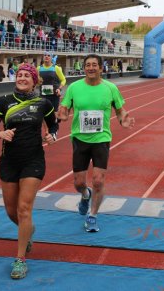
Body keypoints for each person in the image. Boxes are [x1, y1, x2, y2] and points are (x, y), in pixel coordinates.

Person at [0, 63, 58, 280]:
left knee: (24, 208)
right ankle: (28, 231)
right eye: (20, 75)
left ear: (35, 81)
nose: (22, 78)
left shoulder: (43, 103)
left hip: (33, 160)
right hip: (9, 161)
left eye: (27, 75)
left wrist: (52, 136)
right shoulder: (4, 101)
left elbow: (53, 126)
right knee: (11, 211)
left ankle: (20, 260)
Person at [57, 54, 135, 233]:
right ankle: (85, 194)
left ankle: (92, 216)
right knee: (78, 183)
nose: (91, 68)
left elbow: (120, 110)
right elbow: (65, 108)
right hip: (79, 139)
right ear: (84, 68)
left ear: (101, 68)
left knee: (98, 181)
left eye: (94, 65)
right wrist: (61, 114)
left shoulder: (111, 88)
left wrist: (124, 120)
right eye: (87, 65)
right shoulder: (74, 87)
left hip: (101, 139)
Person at [37, 51, 66, 129]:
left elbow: (63, 80)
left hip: (54, 95)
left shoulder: (56, 68)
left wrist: (59, 89)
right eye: (45, 55)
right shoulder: (39, 68)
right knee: (43, 114)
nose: (46, 57)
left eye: (48, 56)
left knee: (53, 114)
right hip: (43, 94)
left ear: (51, 58)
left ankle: (53, 130)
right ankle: (47, 132)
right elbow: (36, 81)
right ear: (43, 57)